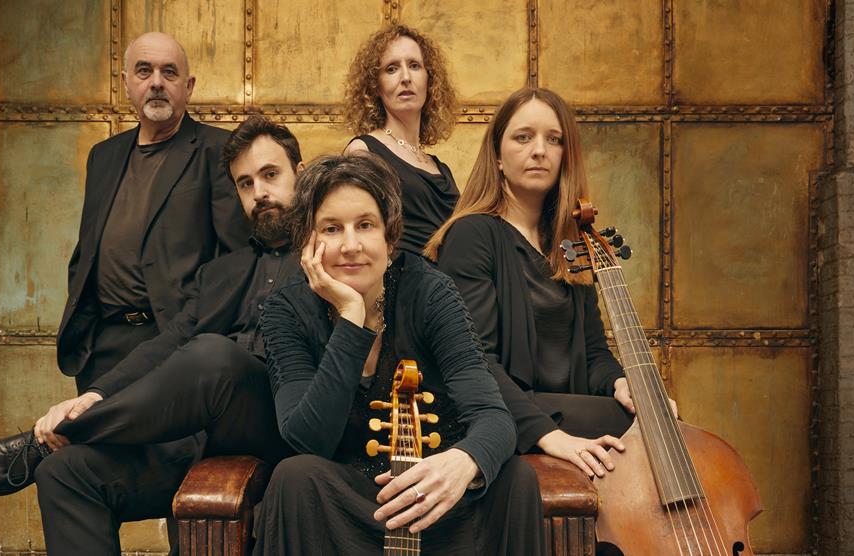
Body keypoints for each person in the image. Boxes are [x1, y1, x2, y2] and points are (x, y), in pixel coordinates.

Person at [0, 116, 301, 556]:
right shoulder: (223, 271)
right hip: (202, 436)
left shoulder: (332, 253)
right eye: (245, 184)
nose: (259, 193)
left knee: (213, 355)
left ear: (300, 172)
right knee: (66, 473)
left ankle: (39, 444)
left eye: (270, 175)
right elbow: (168, 342)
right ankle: (56, 449)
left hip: (279, 423)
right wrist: (94, 394)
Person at [253, 153, 543, 555]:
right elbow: (308, 439)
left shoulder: (430, 293)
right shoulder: (287, 310)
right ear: (307, 242)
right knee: (295, 476)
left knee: (516, 478)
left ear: (390, 238)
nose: (351, 245)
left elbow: (494, 417)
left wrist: (462, 463)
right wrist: (353, 318)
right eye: (332, 228)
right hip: (348, 508)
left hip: (437, 498)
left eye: (366, 225)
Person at [426, 88, 675, 479]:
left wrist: (620, 382)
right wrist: (548, 434)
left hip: (567, 406)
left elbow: (593, 353)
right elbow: (476, 362)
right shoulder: (473, 235)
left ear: (565, 156)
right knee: (639, 435)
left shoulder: (572, 242)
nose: (539, 150)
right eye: (523, 137)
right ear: (497, 155)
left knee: (658, 419)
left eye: (553, 139)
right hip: (506, 415)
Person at [59, 31, 250, 393]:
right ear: (126, 84)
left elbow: (235, 260)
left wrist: (198, 333)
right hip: (101, 345)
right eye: (144, 71)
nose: (157, 83)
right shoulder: (103, 155)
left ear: (188, 86)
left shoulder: (219, 150)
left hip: (170, 343)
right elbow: (89, 249)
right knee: (96, 447)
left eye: (169, 72)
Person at [343, 25, 460, 257]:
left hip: (449, 287)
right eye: (391, 69)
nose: (406, 78)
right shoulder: (363, 152)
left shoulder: (440, 168)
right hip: (403, 285)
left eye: (414, 66)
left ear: (430, 79)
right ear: (375, 86)